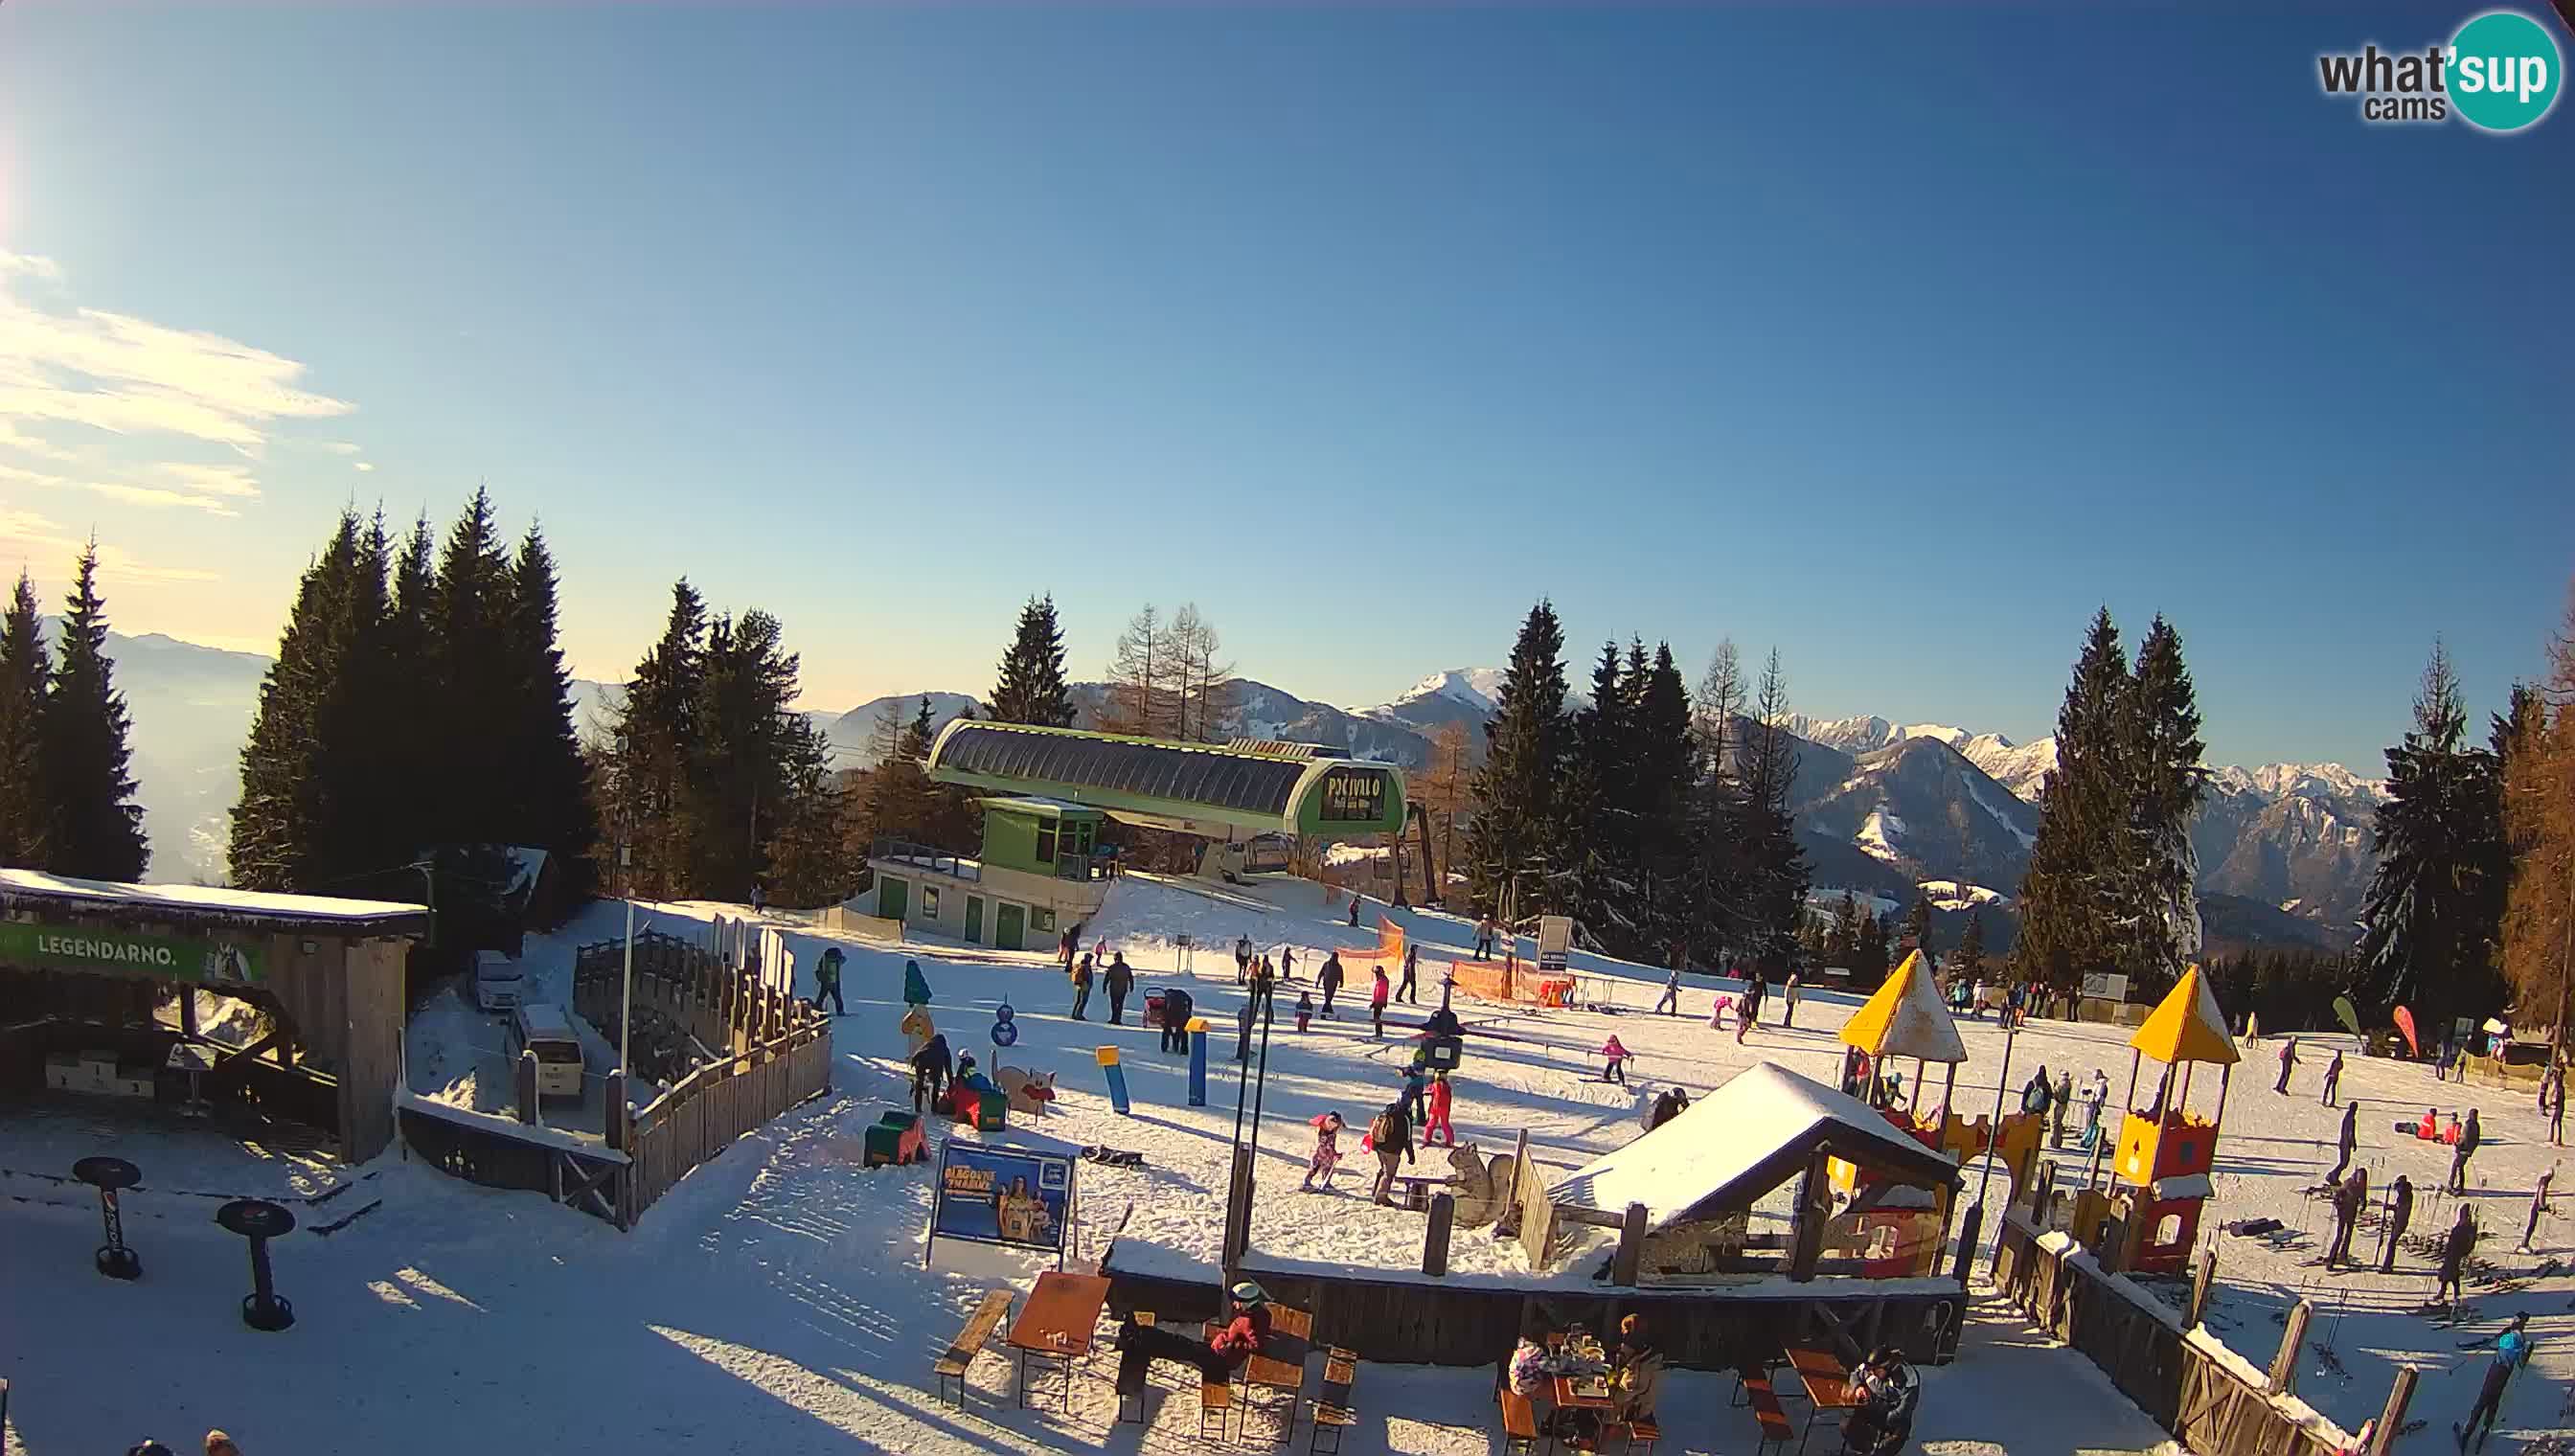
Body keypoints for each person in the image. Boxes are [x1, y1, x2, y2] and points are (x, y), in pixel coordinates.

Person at [1117, 1281, 1271, 1388]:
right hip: (1218, 1350)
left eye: (1237, 1301)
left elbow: (1256, 1345)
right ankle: (1141, 1333)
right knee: (1179, 1343)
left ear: (1246, 1302)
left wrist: (1232, 1343)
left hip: (1220, 1360)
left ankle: (1140, 1338)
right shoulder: (1259, 1313)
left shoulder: (1250, 1320)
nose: (1234, 1304)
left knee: (1178, 1348)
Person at [2456, 1311, 2533, 1452]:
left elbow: (2518, 1358)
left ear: (2521, 1323)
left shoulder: (2516, 1338)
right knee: (2493, 1402)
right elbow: (2520, 1362)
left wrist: (2524, 1351)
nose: (2513, 1321)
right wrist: (2526, 1352)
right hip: (2504, 1373)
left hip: (2497, 1370)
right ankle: (2485, 1429)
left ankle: (2467, 1433)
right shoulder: (2518, 1337)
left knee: (2482, 1401)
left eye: (2516, 1320)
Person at [1840, 1346, 1920, 1456]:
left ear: (1886, 1366)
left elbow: (1902, 1412)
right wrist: (1858, 1387)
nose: (1872, 1374)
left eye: (1875, 1371)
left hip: (1893, 1424)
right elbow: (1856, 1374)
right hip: (1872, 1411)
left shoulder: (1908, 1378)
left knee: (1880, 1450)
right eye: (1870, 1371)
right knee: (1847, 1426)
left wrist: (1879, 1424)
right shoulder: (1871, 1367)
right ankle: (1864, 1450)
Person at [1608, 1312, 1665, 1423]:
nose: (1621, 1333)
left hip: (1633, 1412)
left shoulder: (1643, 1368)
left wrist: (1608, 1386)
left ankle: (1586, 1438)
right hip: (1630, 1400)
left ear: (1629, 1334)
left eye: (1623, 1330)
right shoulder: (1644, 1352)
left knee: (1589, 1404)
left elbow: (1620, 1397)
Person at [1367, 1098, 1416, 1206]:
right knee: (1388, 1174)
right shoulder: (1405, 1118)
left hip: (1379, 1147)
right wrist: (1411, 1155)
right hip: (1393, 1150)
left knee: (1383, 1169)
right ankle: (1381, 1197)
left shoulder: (1385, 1113)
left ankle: (1375, 1190)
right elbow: (1408, 1139)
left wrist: (1375, 1146)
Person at [2437, 1205, 2479, 1307]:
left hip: (2458, 1252)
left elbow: (2470, 1243)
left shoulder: (2468, 1228)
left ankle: (2455, 1294)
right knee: (2447, 1270)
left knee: (2452, 1272)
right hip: (2451, 1251)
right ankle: (2443, 1292)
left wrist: (2465, 1251)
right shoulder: (2460, 1226)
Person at [2326, 1167, 2366, 1267]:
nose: (2360, 1180)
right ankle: (2331, 1259)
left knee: (2348, 1235)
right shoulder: (2348, 1184)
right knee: (2339, 1236)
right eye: (2360, 1178)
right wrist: (2339, 1207)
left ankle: (2343, 1256)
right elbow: (2337, 1197)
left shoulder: (2361, 1186)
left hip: (2352, 1213)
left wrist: (2362, 1206)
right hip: (2343, 1213)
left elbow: (2363, 1198)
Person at [910, 1033, 952, 1113]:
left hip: (921, 1060)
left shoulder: (928, 1044)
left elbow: (917, 1054)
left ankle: (917, 1107)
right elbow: (948, 1069)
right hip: (935, 1064)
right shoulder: (945, 1049)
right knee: (936, 1083)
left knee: (919, 1082)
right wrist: (951, 1084)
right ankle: (934, 1107)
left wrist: (913, 1064)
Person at [1302, 1111, 1345, 1191]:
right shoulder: (1324, 1133)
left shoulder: (1331, 1132)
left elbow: (1331, 1145)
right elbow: (1326, 1146)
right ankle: (1307, 1181)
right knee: (1316, 1167)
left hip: (1327, 1155)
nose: (1336, 1128)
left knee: (1326, 1168)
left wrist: (1335, 1153)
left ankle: (1325, 1182)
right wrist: (1335, 1154)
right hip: (1321, 1154)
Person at [2381, 1174, 2414, 1273]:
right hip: (2399, 1221)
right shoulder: (2404, 1195)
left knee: (2392, 1243)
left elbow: (2401, 1210)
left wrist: (2391, 1208)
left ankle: (2387, 1266)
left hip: (2401, 1222)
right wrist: (2391, 1207)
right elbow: (2398, 1207)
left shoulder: (2406, 1196)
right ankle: (2388, 1265)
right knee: (2392, 1243)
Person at [2519, 1164, 2556, 1252]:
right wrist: (2544, 1206)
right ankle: (2524, 1244)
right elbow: (2541, 1195)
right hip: (2535, 1206)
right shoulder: (2545, 1182)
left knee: (2532, 1225)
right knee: (2532, 1225)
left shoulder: (2543, 1180)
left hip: (2535, 1205)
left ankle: (2525, 1244)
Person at [2449, 1108, 2483, 1194]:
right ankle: (2460, 1186)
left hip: (2463, 1149)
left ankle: (2451, 1185)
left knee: (2455, 1166)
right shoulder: (2477, 1125)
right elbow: (2476, 1140)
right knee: (2460, 1167)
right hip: (2468, 1150)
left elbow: (2465, 1137)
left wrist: (2458, 1146)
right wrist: (2471, 1150)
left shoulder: (2469, 1124)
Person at [2327, 1102, 2359, 1183]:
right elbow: (2350, 1133)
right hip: (2345, 1143)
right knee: (2344, 1162)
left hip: (2343, 1142)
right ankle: (2332, 1175)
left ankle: (2334, 1176)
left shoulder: (2347, 1117)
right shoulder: (2351, 1119)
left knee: (2343, 1162)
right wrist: (2353, 1143)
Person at [812, 944, 847, 1016]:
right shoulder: (836, 960)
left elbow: (820, 967)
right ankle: (840, 1011)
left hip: (826, 982)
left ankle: (816, 1009)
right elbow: (843, 960)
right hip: (833, 982)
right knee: (837, 997)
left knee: (822, 996)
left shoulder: (824, 959)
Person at [1424, 1069, 1456, 1147]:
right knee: (1445, 1124)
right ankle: (1450, 1141)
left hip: (1434, 1107)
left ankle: (1426, 1139)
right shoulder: (1447, 1086)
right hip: (1445, 1108)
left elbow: (1426, 1091)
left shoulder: (1434, 1084)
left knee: (1431, 1124)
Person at [1160, 986, 1196, 1054]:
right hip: (1183, 1014)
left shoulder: (1167, 996)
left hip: (1171, 1014)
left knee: (1166, 1030)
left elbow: (1164, 1008)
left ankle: (1164, 1048)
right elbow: (1190, 1000)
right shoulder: (1182, 993)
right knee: (1183, 1031)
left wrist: (1164, 1018)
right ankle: (1184, 1049)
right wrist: (1189, 1012)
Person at [1105, 952, 1135, 1026]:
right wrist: (1131, 986)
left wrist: (1104, 986)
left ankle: (1114, 1018)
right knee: (1120, 1004)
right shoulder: (1126, 967)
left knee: (1114, 1004)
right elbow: (1130, 977)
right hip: (1123, 989)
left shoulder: (1112, 967)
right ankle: (1118, 1019)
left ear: (1115, 959)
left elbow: (1107, 978)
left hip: (1113, 989)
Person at [1401, 1056, 1430, 1126]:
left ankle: (1407, 1118)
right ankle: (1419, 1119)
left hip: (1414, 1087)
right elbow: (1407, 1073)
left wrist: (1408, 1070)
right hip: (1417, 1087)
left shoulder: (1418, 1065)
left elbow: (1415, 1072)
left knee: (1409, 1103)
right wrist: (1406, 1071)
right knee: (1418, 1103)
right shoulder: (1419, 1065)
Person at [1249, 955, 1278, 1022]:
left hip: (1265, 987)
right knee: (1259, 1003)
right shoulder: (1261, 967)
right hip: (1262, 986)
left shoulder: (1269, 967)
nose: (1265, 963)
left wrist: (1270, 979)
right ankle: (1254, 1017)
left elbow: (1272, 976)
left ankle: (1269, 1018)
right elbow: (1256, 975)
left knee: (1267, 1003)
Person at [1068, 951, 1094, 1021]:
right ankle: (1079, 1015)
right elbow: (1087, 976)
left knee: (1078, 1000)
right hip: (1084, 985)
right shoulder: (1086, 966)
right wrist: (1088, 983)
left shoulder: (1080, 965)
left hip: (1079, 985)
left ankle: (1074, 1014)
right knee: (1083, 1001)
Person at [1319, 952, 1345, 1019]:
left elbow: (1341, 975)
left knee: (1329, 998)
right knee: (1328, 998)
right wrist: (1318, 980)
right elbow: (1321, 972)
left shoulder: (1339, 966)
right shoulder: (1327, 964)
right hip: (1326, 983)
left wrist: (1341, 982)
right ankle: (1325, 1013)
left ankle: (1327, 1012)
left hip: (1334, 984)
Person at [1370, 966, 1392, 1039]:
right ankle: (1378, 1033)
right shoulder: (1380, 979)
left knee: (1377, 1017)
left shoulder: (1383, 980)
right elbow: (1376, 993)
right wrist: (1374, 1002)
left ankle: (1379, 1034)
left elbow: (1381, 993)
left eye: (1376, 973)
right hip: (1378, 1002)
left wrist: (1377, 1002)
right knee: (1376, 1017)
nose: (1375, 975)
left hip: (1379, 1002)